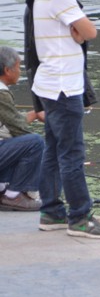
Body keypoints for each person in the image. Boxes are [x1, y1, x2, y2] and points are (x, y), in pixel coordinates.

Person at [33, 0, 100, 238]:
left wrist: (77, 32)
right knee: (72, 155)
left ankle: (51, 212)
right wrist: (79, 32)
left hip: (50, 85)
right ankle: (80, 218)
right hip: (65, 88)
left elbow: (80, 32)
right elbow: (90, 31)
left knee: (53, 151)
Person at [0, 46, 44, 211]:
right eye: (18, 67)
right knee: (35, 143)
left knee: (16, 143)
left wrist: (34, 114)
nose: (20, 71)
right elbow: (18, 128)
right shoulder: (1, 93)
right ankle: (12, 196)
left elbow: (11, 120)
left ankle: (4, 188)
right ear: (7, 70)